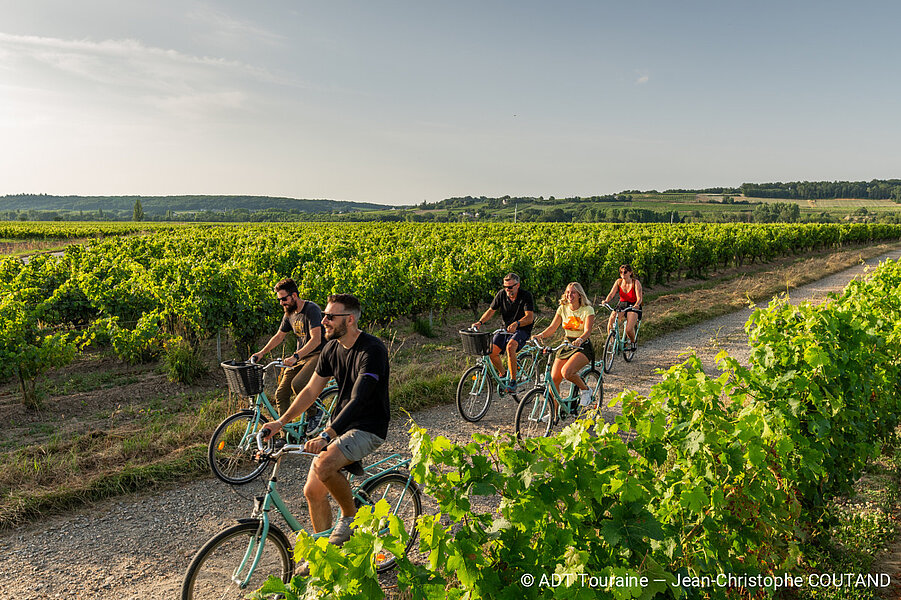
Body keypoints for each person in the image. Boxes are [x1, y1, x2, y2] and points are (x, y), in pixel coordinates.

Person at [261, 293, 389, 552]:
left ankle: (351, 517)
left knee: (324, 465)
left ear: (349, 320)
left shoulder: (372, 350)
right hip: (341, 424)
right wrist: (280, 422)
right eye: (324, 315)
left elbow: (359, 399)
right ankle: (325, 554)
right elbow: (310, 391)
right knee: (312, 492)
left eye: (330, 316)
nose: (324, 321)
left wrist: (327, 435)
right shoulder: (331, 348)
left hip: (368, 427)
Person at [251, 278, 325, 419]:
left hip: (318, 354)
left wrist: (295, 356)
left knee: (298, 384)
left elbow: (316, 340)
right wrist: (262, 353)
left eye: (284, 299)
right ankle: (285, 430)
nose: (281, 303)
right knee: (281, 394)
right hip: (301, 357)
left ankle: (315, 414)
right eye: (279, 300)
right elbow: (279, 336)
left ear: (294, 295)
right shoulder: (289, 313)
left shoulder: (311, 309)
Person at [534, 282, 596, 410]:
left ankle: (586, 390)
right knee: (553, 380)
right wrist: (540, 336)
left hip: (582, 346)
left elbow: (588, 331)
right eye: (567, 292)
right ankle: (554, 414)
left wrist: (580, 339)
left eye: (573, 292)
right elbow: (552, 328)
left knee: (567, 372)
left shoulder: (587, 310)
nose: (569, 295)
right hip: (567, 344)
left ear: (579, 295)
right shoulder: (562, 308)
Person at [471, 273, 535, 392]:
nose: (507, 289)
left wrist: (517, 324)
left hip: (522, 329)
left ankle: (513, 381)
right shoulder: (501, 294)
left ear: (517, 285)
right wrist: (479, 322)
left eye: (510, 287)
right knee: (491, 351)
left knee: (510, 347)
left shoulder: (526, 296)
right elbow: (491, 311)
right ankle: (504, 373)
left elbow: (529, 318)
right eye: (505, 287)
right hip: (506, 329)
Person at [603, 264, 643, 348]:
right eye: (621, 272)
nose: (623, 274)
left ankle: (633, 342)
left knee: (629, 329)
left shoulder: (635, 283)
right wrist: (606, 301)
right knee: (611, 323)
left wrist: (636, 305)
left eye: (625, 272)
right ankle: (612, 343)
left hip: (633, 304)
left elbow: (639, 298)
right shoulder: (619, 282)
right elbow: (611, 294)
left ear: (630, 273)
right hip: (622, 304)